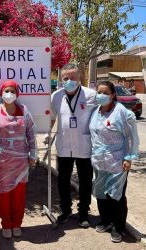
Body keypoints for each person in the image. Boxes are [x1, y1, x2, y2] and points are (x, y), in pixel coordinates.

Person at [0, 80, 37, 239]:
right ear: (1, 92)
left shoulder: (24, 111)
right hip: (1, 162)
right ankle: (6, 223)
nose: (9, 94)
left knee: (18, 195)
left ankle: (16, 223)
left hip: (21, 161)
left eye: (12, 91)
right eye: (6, 91)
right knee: (2, 195)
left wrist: (33, 154)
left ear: (17, 93)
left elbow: (31, 134)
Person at [89, 81, 139, 243]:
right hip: (99, 160)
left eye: (105, 93)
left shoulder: (122, 113)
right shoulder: (96, 111)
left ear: (113, 95)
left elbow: (132, 138)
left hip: (118, 160)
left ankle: (118, 227)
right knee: (101, 193)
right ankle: (105, 221)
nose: (101, 96)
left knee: (116, 195)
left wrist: (129, 158)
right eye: (99, 92)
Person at [49, 63, 97, 227]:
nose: (69, 81)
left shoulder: (91, 95)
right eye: (66, 78)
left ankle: (83, 213)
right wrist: (46, 134)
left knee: (85, 181)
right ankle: (65, 210)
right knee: (63, 180)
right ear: (61, 79)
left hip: (85, 145)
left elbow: (99, 118)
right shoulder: (55, 96)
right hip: (64, 145)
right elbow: (53, 117)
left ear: (80, 78)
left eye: (73, 78)